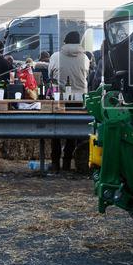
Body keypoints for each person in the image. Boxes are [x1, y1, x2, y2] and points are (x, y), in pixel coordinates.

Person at [48, 31, 90, 171]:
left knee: (55, 130)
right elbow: (88, 75)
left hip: (59, 98)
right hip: (79, 100)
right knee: (72, 131)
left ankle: (55, 162)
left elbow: (50, 75)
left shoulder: (55, 56)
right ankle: (67, 162)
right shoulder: (85, 58)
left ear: (65, 42)